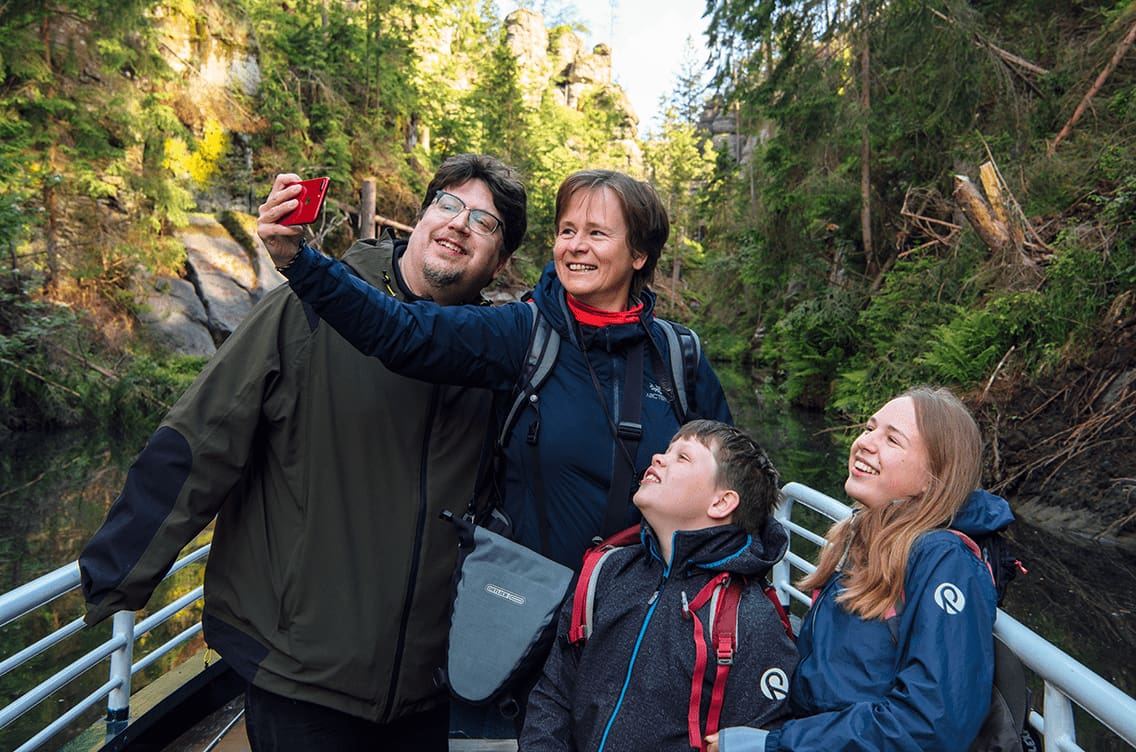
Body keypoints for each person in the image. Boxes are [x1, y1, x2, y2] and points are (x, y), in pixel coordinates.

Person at [78, 154, 528, 751]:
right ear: (419, 220)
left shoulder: (498, 357)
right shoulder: (312, 309)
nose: (458, 224)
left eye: (485, 222)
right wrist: (118, 571)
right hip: (301, 672)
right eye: (447, 205)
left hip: (430, 684)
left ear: (500, 261)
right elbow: (204, 435)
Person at [259, 169, 733, 572]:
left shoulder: (677, 355)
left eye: (597, 233)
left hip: (643, 612)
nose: (575, 247)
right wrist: (300, 261)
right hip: (534, 611)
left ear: (638, 254)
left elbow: (728, 478)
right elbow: (402, 332)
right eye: (567, 231)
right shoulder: (523, 332)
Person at [708, 386, 1011, 752]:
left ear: (933, 477)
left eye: (892, 440)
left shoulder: (945, 560)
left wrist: (777, 745)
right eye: (870, 428)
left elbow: (933, 723)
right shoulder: (865, 533)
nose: (865, 442)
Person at [519, 419, 799, 752]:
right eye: (667, 450)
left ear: (721, 503)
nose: (658, 458)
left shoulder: (750, 621)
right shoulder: (606, 571)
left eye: (682, 457)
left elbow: (753, 740)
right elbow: (554, 692)